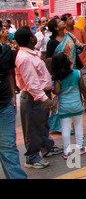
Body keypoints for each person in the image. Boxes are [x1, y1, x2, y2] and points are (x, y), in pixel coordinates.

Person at [14, 26, 63, 169]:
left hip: (39, 96)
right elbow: (32, 84)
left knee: (42, 124)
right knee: (33, 128)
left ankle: (46, 147)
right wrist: (45, 98)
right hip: (34, 98)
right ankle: (32, 157)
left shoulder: (30, 54)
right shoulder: (25, 58)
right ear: (31, 39)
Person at [46, 18, 86, 132]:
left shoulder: (69, 36)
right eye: (59, 21)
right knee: (59, 97)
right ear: (55, 27)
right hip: (60, 73)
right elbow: (48, 58)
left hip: (72, 71)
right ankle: (59, 125)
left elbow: (78, 47)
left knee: (74, 94)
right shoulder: (52, 42)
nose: (62, 22)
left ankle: (74, 123)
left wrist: (82, 47)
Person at [51, 52, 86, 160]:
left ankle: (67, 152)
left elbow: (57, 91)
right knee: (78, 126)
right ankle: (80, 147)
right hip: (76, 104)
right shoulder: (77, 73)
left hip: (64, 106)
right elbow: (82, 87)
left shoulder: (58, 77)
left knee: (65, 129)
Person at [0, 37, 27, 178]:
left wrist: (12, 96)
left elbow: (9, 74)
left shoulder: (5, 50)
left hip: (4, 104)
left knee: (8, 146)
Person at [61, 13, 86, 112]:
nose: (73, 20)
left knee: (85, 84)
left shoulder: (79, 31)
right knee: (75, 85)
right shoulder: (62, 33)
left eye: (72, 18)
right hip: (69, 65)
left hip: (82, 62)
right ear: (64, 22)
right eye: (70, 18)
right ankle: (79, 103)